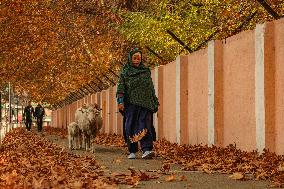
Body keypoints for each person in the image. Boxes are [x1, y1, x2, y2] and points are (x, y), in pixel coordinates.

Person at [116, 48, 159, 159]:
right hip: (131, 104)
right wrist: (120, 101)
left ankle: (147, 149)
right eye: (134, 58)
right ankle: (132, 151)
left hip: (145, 104)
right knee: (130, 126)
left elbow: (150, 88)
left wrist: (154, 100)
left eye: (139, 58)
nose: (137, 60)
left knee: (145, 125)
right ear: (130, 58)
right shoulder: (125, 72)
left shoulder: (145, 71)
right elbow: (121, 88)